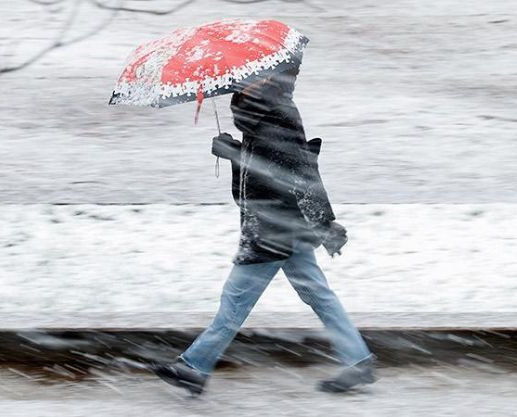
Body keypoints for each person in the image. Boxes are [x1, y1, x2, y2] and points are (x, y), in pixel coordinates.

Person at [151, 62, 375, 395]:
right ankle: (358, 360)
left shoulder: (278, 115)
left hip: (272, 229)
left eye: (252, 77)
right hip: (282, 225)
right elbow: (263, 174)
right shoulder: (263, 114)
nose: (244, 81)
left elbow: (295, 174)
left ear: (270, 77)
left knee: (235, 302)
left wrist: (325, 223)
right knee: (317, 294)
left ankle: (194, 367)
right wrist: (234, 154)